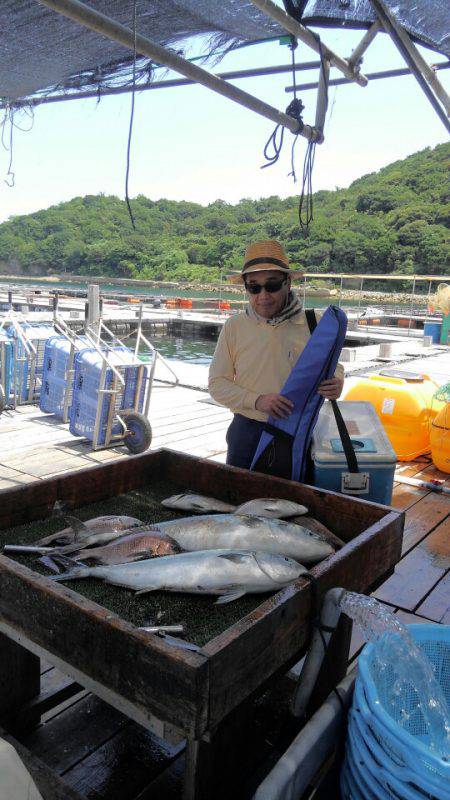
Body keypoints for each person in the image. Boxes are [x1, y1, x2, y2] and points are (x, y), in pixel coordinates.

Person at [208, 240, 345, 470]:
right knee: (239, 501)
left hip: (297, 431)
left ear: (288, 283)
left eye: (271, 286)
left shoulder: (313, 324)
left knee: (291, 502)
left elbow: (334, 366)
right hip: (246, 431)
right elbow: (216, 384)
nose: (263, 295)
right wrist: (258, 400)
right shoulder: (234, 327)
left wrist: (337, 381)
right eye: (254, 287)